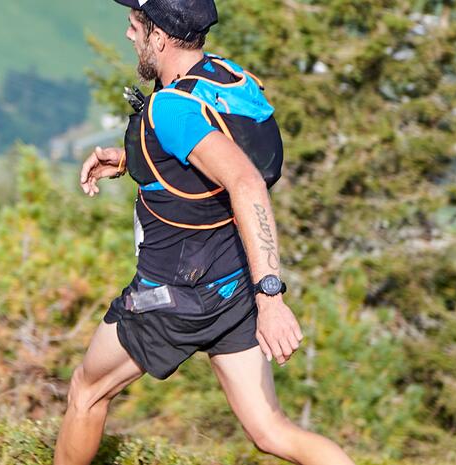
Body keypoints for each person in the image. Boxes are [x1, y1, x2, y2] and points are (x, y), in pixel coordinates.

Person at [55, 0, 354, 464]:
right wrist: (129, 160)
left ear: (160, 38)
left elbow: (245, 181)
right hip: (230, 293)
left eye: (135, 27)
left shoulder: (170, 111)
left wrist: (272, 299)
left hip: (172, 296)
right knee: (271, 431)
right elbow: (200, 164)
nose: (129, 36)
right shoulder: (225, 79)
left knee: (87, 391)